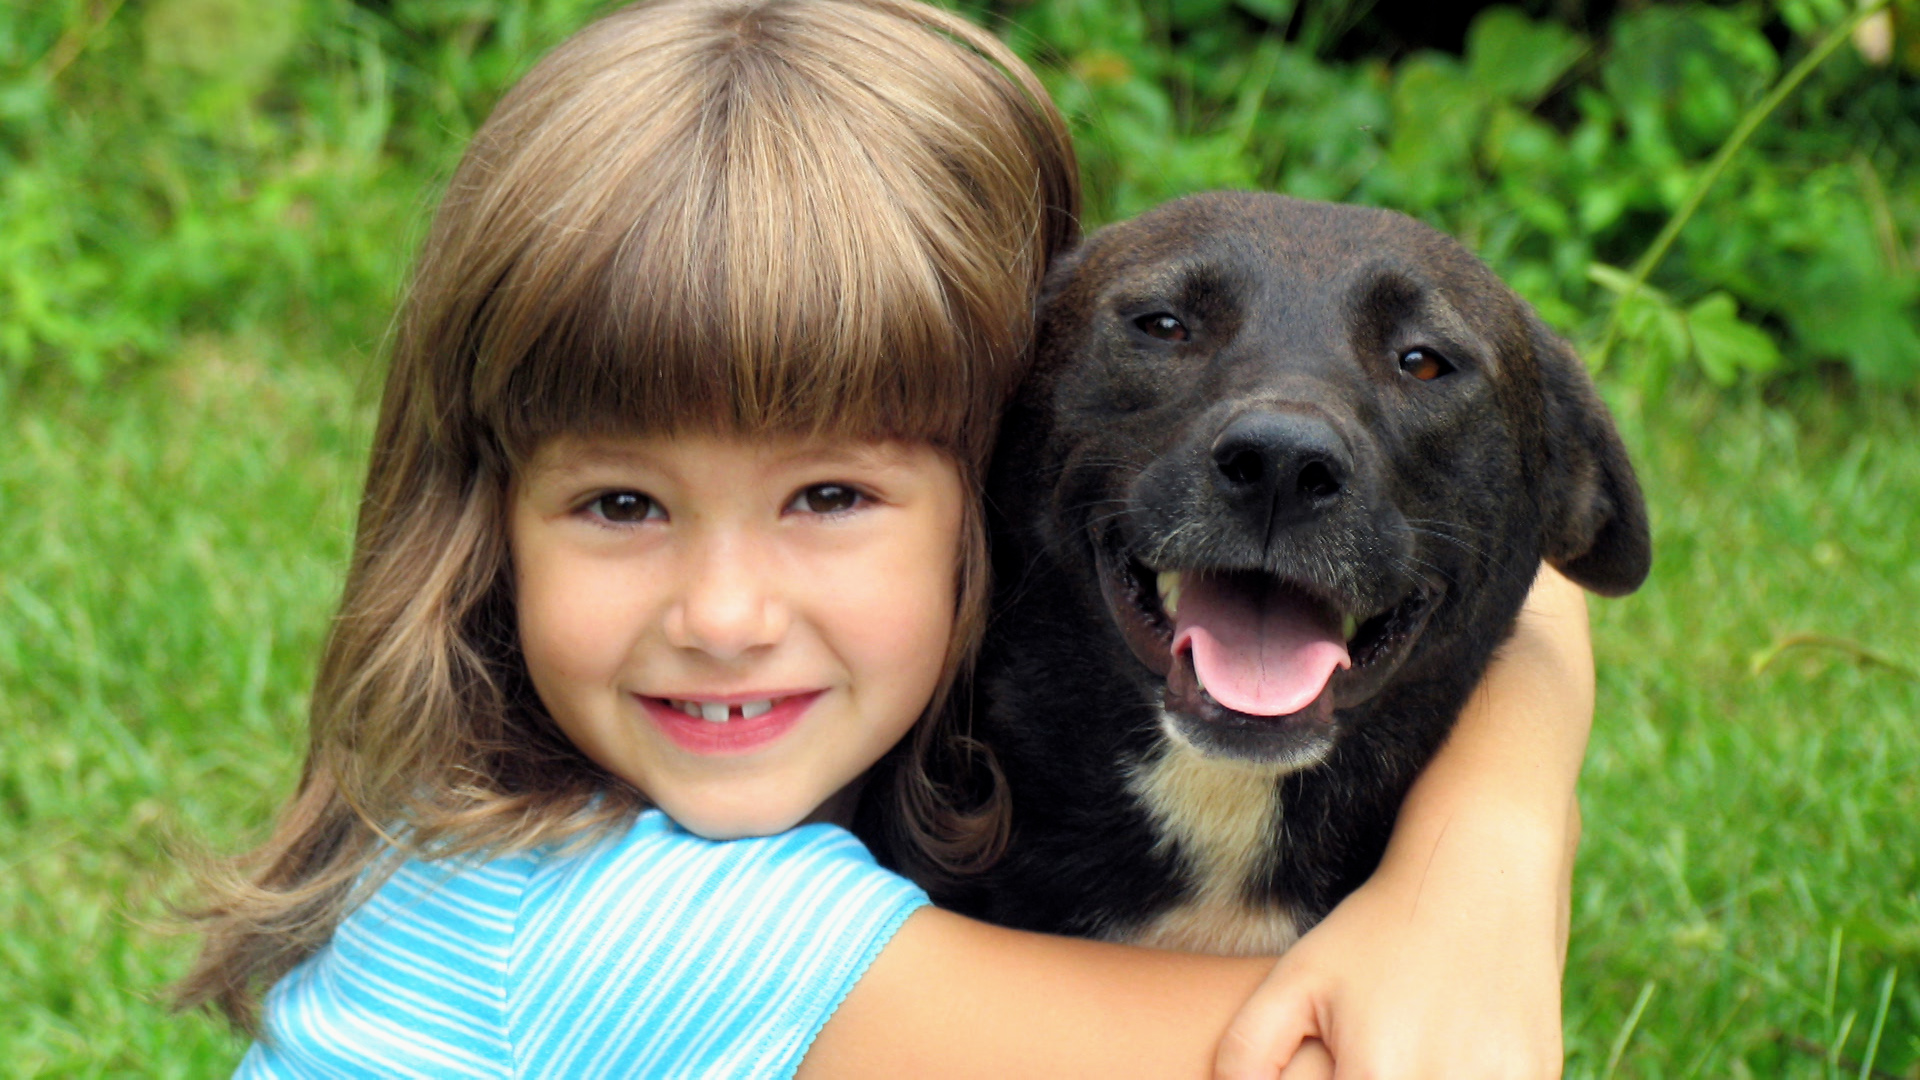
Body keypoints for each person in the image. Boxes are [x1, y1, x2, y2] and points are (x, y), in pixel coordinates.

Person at [176, 0, 1596, 1075]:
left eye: (829, 498)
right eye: (622, 505)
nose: (722, 612)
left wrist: (1497, 821)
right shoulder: (627, 924)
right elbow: (1374, 1048)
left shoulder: (810, 807)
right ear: (482, 526)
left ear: (986, 466)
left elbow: (1542, 574)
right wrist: (1477, 876)